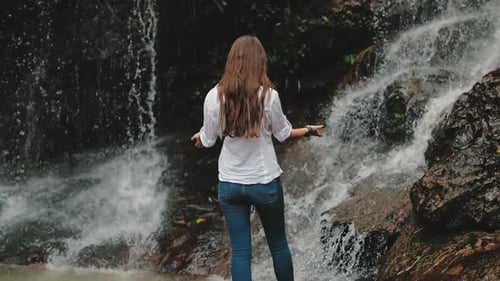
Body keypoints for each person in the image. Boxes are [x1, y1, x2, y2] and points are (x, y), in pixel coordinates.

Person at [191, 35, 324, 281]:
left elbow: (209, 139)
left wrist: (199, 137)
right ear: (259, 62)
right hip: (264, 182)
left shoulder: (214, 97)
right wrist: (308, 130)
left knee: (241, 252)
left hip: (230, 184)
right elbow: (283, 135)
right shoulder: (269, 96)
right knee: (278, 245)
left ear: (232, 61)